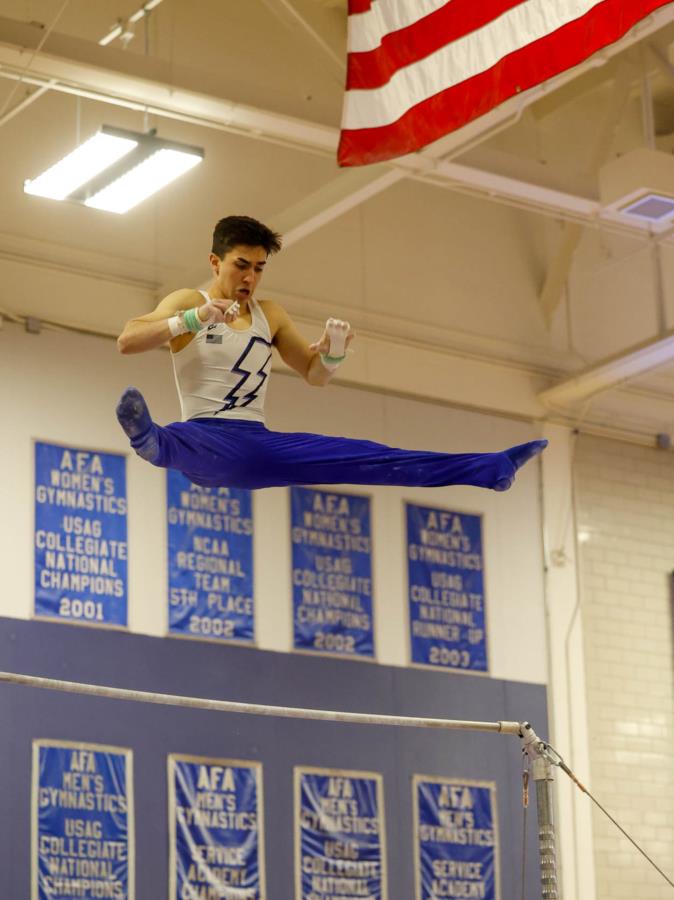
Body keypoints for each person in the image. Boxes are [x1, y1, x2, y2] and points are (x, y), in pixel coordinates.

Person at [115, 215, 546, 490]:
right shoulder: (189, 300)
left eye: (260, 267)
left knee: (369, 458)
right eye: (241, 265)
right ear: (215, 262)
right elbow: (128, 340)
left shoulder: (272, 314)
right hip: (206, 439)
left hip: (257, 444)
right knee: (185, 439)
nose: (251, 277)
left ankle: (492, 468)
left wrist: (333, 353)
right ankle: (150, 440)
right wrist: (194, 320)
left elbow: (315, 375)